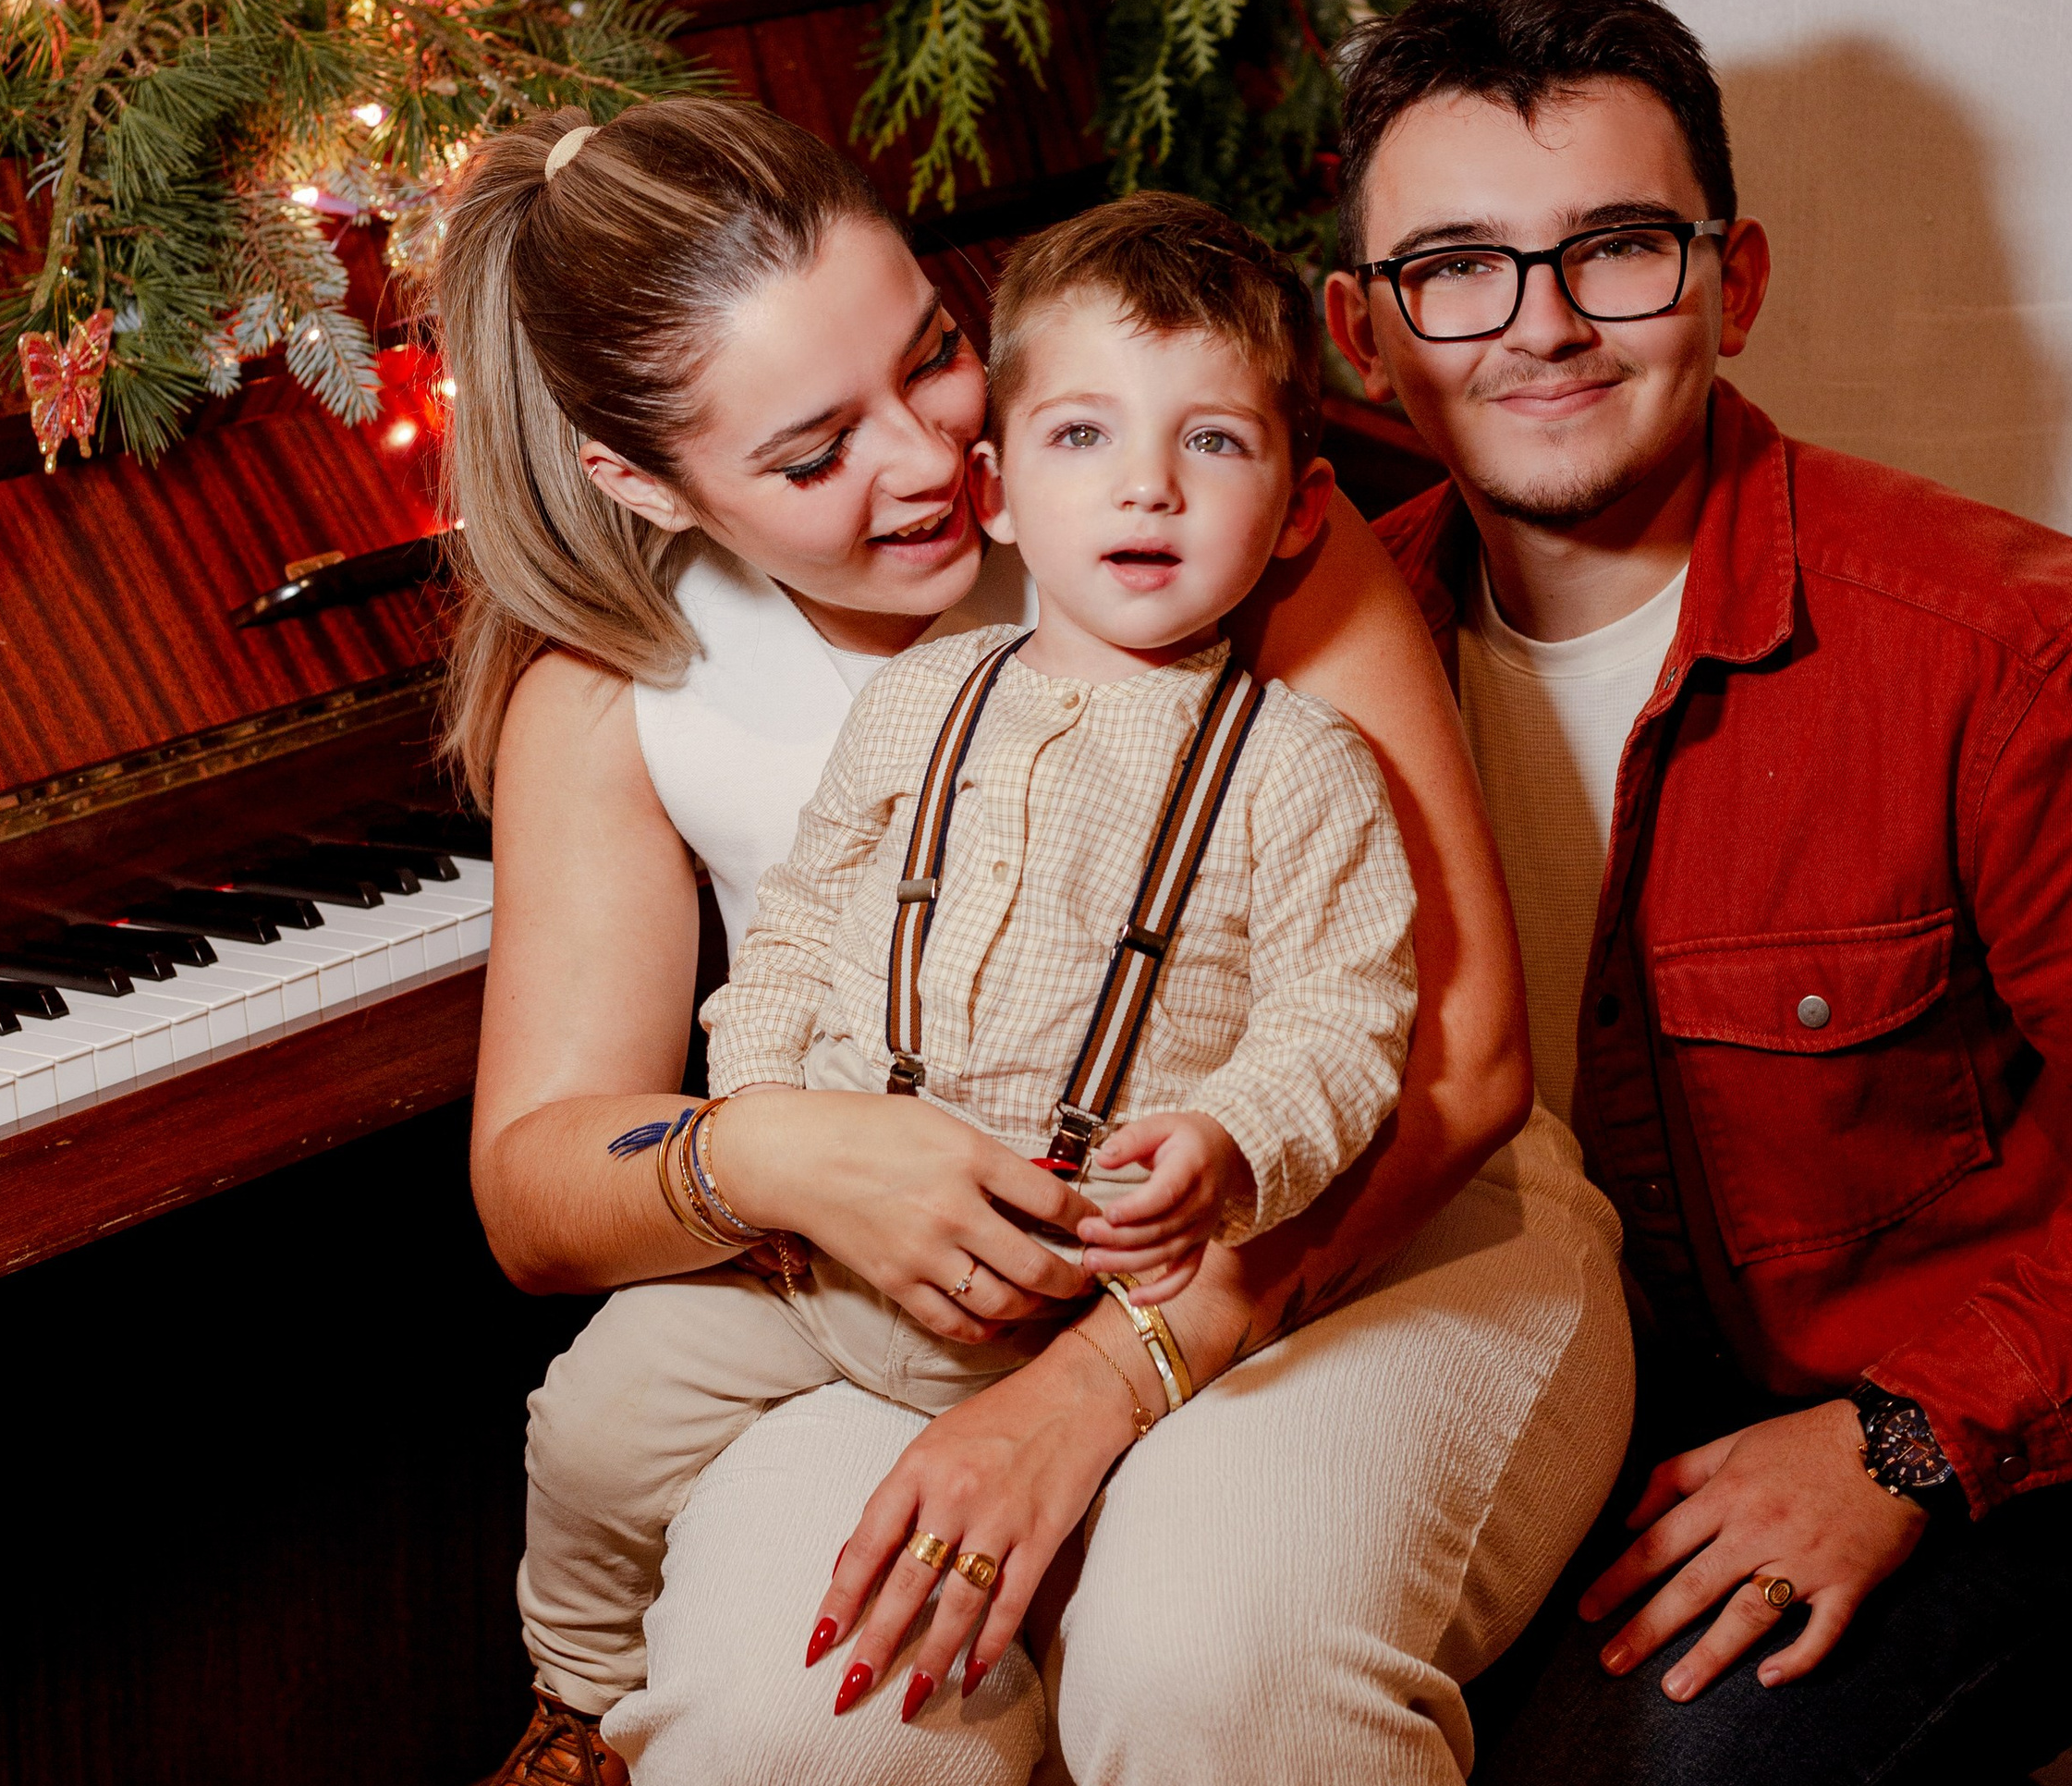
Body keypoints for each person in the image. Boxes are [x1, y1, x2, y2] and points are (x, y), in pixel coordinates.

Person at [438, 95, 1631, 1786]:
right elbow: (539, 1186)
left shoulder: (1209, 517)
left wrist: (1101, 1380)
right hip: (906, 1315)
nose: (933, 459)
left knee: (1213, 1673)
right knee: (794, 1740)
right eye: (813, 454)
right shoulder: (614, 698)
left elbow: (1464, 1059)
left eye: (932, 355)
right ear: (637, 480)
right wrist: (788, 1153)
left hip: (1372, 1226)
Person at [1322, 0, 2072, 1783]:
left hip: (1979, 1418)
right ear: (1362, 334)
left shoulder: (2012, 653)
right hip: (1525, 1389)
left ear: (1735, 281)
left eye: (1616, 247)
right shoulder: (1296, 663)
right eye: (1453, 267)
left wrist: (1903, 1443)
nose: (1542, 326)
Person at [514, 194, 1426, 1728]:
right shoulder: (922, 700)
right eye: (1082, 437)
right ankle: (577, 1699)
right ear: (1006, 489)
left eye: (1212, 444)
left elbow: (1350, 1016)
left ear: (1298, 508)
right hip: (820, 1278)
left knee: (1159, 1627)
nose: (1146, 486)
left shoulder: (1299, 761)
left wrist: (1230, 1140)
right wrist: (766, 1125)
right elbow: (802, 926)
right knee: (589, 1420)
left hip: (1089, 1297)